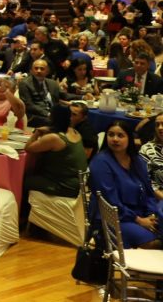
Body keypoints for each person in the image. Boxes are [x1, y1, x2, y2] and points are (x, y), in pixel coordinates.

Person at [90, 120, 163, 248]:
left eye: (120, 135)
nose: (115, 139)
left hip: (140, 213)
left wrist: (151, 214)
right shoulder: (100, 162)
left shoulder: (136, 160)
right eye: (111, 135)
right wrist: (139, 220)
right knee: (157, 243)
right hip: (114, 218)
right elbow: (110, 201)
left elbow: (148, 192)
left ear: (129, 138)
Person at [21, 102, 90, 226]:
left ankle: (24, 219)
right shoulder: (74, 132)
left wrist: (37, 133)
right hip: (77, 184)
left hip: (63, 186)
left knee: (23, 181)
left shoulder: (54, 138)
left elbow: (28, 148)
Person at [18, 58, 64, 128]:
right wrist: (48, 114)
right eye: (36, 68)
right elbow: (29, 105)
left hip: (53, 112)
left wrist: (80, 97)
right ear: (31, 71)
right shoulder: (25, 83)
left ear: (47, 71)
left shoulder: (52, 83)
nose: (38, 71)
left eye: (42, 69)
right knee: (54, 122)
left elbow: (63, 95)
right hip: (35, 115)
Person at [139, 117, 163, 200]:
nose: (160, 128)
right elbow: (145, 180)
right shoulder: (147, 149)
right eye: (157, 125)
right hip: (157, 198)